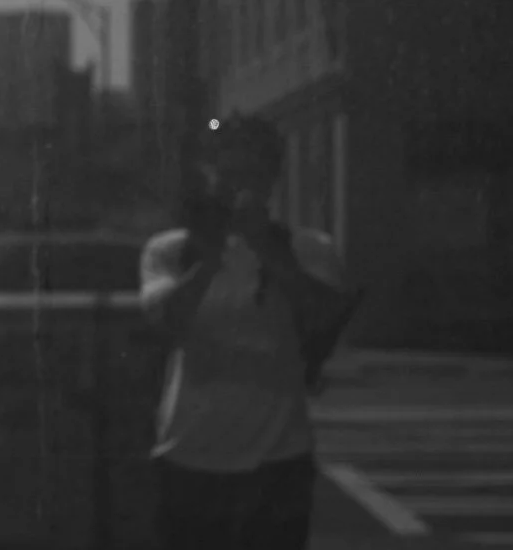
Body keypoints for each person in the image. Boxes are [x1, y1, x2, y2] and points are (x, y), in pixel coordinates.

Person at [138, 113, 360, 550]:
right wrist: (209, 257)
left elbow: (323, 319)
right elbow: (166, 325)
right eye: (227, 175)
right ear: (209, 178)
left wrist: (267, 248)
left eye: (250, 176)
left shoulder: (308, 248)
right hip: (189, 453)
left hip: (277, 459)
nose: (237, 188)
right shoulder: (171, 250)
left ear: (271, 180)